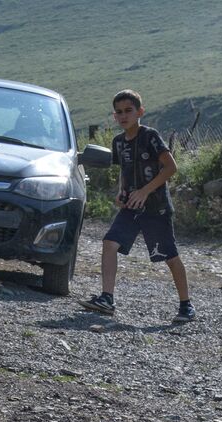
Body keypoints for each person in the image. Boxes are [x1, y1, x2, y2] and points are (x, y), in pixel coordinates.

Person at [78, 90, 196, 324]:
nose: (124, 116)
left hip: (156, 208)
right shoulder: (118, 142)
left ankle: (186, 306)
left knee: (170, 256)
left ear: (140, 112)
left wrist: (144, 191)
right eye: (119, 112)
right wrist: (121, 192)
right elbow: (124, 170)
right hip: (131, 207)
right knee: (110, 242)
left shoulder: (150, 136)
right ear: (115, 116)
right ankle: (107, 299)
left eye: (128, 111)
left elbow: (171, 168)